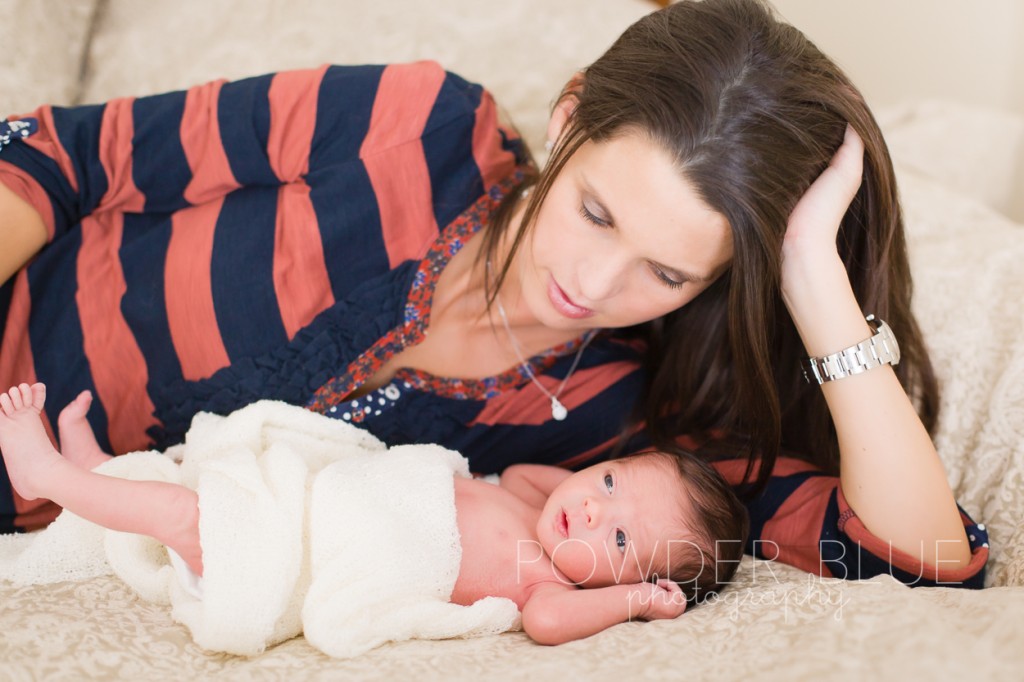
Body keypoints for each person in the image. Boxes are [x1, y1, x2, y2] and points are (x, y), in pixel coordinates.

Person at [0, 0, 989, 586]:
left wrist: (812, 278)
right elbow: (68, 152)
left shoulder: (627, 417)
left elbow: (913, 553)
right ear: (568, 118)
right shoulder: (417, 126)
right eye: (597, 212)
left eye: (668, 270)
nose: (592, 287)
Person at [0, 382, 749, 647]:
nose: (589, 507)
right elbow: (528, 472)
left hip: (294, 564)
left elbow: (551, 628)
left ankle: (50, 478)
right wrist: (597, 495)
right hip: (311, 505)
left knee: (184, 517)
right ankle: (101, 470)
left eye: (618, 536)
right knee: (194, 476)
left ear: (618, 582)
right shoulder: (535, 500)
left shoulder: (542, 584)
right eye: (610, 480)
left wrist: (633, 603)